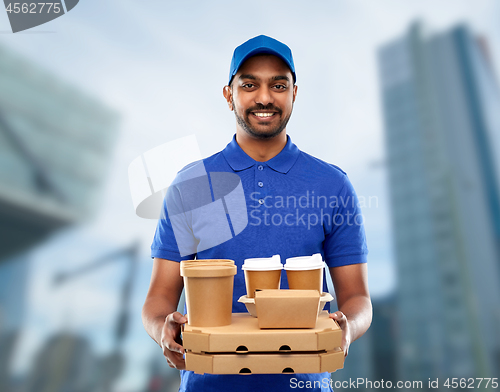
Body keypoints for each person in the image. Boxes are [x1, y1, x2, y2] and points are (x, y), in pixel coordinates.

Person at [142, 35, 372, 392]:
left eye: (278, 85)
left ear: (295, 92)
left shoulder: (332, 184)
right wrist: (162, 329)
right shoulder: (191, 184)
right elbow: (159, 295)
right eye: (249, 84)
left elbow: (357, 297)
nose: (264, 98)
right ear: (228, 94)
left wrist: (348, 328)